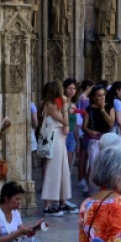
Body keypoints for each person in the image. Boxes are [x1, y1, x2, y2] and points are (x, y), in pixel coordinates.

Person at [39, 81, 77, 216]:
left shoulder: (52, 105)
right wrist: (66, 107)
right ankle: (48, 205)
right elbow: (65, 121)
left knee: (62, 170)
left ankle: (61, 201)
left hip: (59, 139)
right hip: (54, 139)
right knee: (53, 171)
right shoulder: (50, 105)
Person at [82, 85, 116, 181]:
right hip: (94, 140)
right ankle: (92, 189)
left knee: (106, 165)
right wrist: (90, 131)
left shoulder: (109, 107)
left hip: (107, 139)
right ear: (94, 97)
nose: (102, 97)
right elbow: (84, 126)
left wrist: (102, 109)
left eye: (103, 95)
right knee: (93, 164)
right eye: (99, 95)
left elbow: (111, 123)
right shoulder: (89, 109)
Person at [63, 79, 79, 170]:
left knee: (69, 160)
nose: (72, 90)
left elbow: (75, 124)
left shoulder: (74, 104)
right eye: (70, 88)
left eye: (74, 88)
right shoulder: (60, 102)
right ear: (65, 89)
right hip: (62, 133)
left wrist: (78, 141)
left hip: (71, 134)